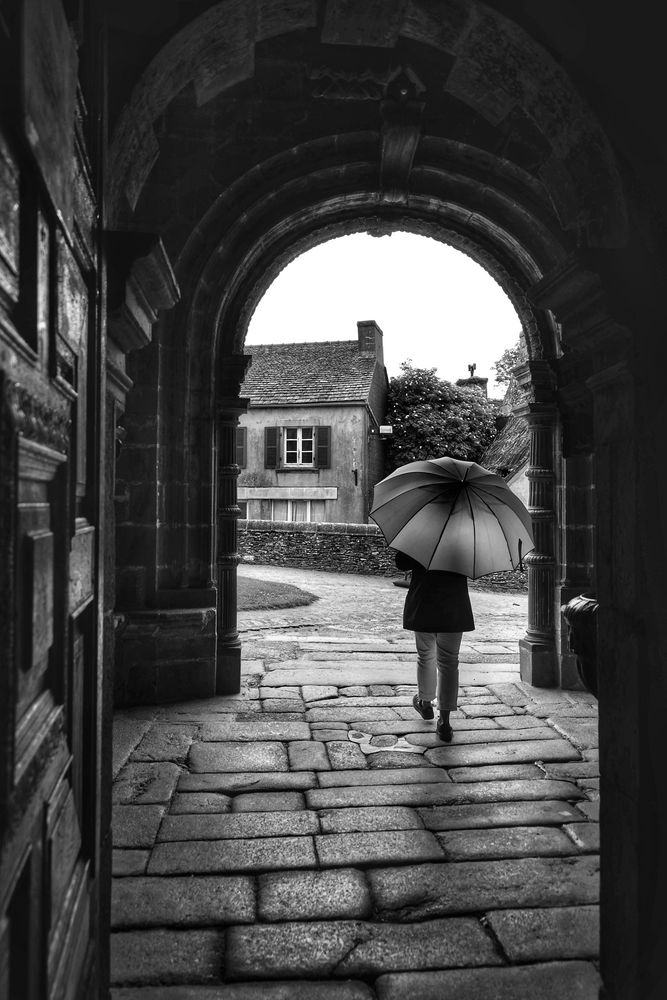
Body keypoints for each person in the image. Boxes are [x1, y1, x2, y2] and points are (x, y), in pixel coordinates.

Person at [394, 550, 475, 742]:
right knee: (449, 663)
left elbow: (401, 562)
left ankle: (425, 701)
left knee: (425, 656)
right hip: (454, 605)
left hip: (424, 602)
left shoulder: (421, 535)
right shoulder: (465, 537)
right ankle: (444, 722)